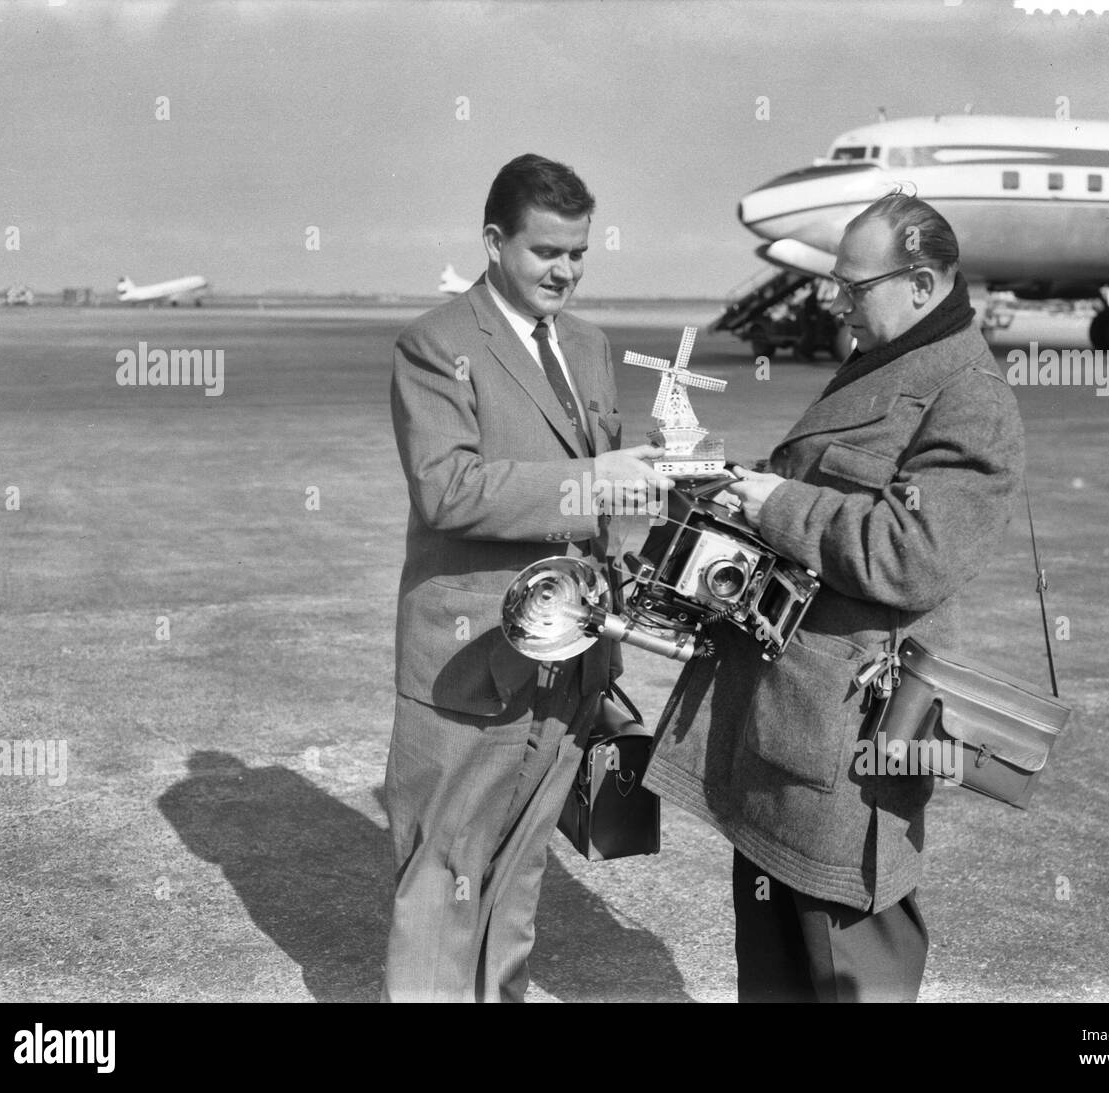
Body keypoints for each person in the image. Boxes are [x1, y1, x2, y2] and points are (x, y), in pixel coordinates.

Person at [643, 192, 1026, 1002]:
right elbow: (820, 490)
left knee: (849, 964)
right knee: (778, 968)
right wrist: (713, 474)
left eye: (854, 288)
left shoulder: (969, 395)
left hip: (845, 751)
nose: (835, 302)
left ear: (921, 282)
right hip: (788, 722)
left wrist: (768, 502)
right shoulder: (890, 358)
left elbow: (909, 553)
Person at [384, 154, 671, 1002]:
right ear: (493, 242)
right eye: (548, 251)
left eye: (579, 252)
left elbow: (602, 488)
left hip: (574, 655)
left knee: (518, 876)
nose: (566, 271)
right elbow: (446, 488)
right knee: (444, 874)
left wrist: (653, 495)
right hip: (473, 662)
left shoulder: (587, 344)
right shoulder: (435, 345)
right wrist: (601, 480)